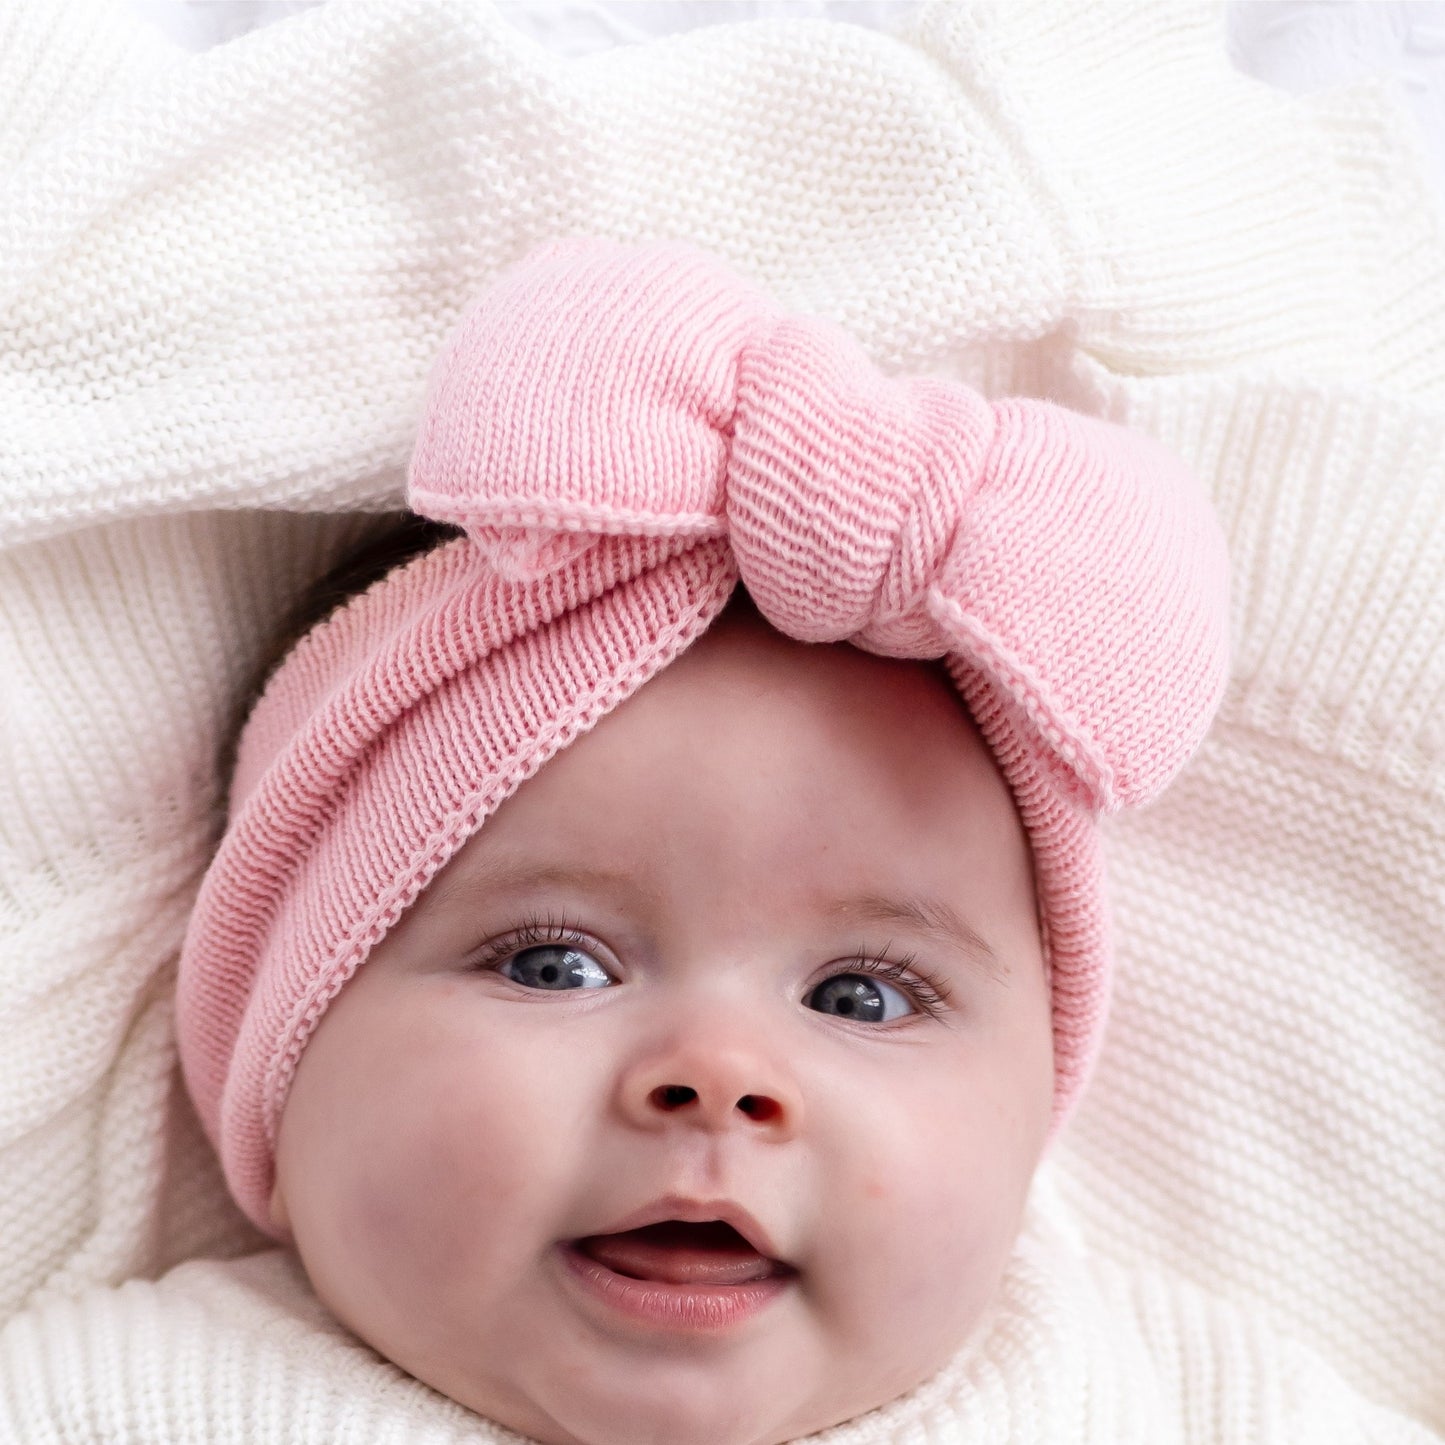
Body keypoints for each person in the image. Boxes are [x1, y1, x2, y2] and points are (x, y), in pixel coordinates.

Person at [174, 236, 1231, 1445]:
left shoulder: (1144, 1386)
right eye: (550, 963)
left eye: (864, 995)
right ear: (276, 1050)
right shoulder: (150, 1390)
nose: (717, 1072)